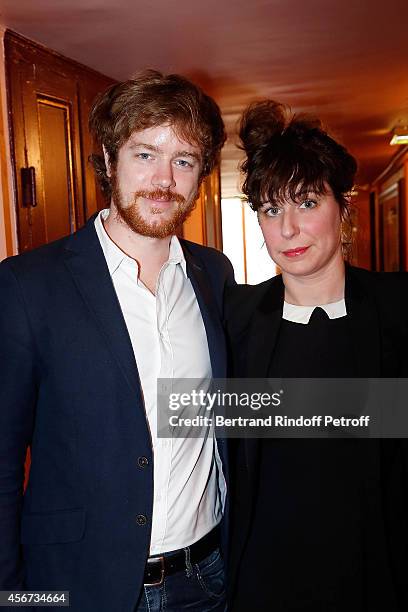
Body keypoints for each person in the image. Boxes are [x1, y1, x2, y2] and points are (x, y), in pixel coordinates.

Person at [0, 70, 234, 612]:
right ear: (108, 160)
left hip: (207, 579)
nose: (163, 179)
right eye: (144, 154)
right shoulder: (27, 286)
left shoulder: (214, 276)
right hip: (81, 586)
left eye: (184, 160)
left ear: (200, 175)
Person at [225, 100, 408, 611]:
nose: (287, 230)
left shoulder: (398, 311)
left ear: (342, 206)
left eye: (306, 203)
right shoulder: (233, 319)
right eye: (270, 208)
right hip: (263, 581)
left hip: (378, 577)